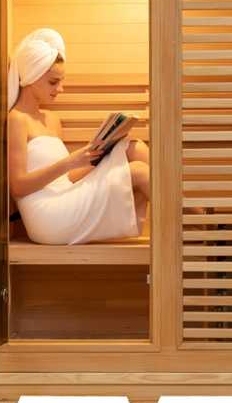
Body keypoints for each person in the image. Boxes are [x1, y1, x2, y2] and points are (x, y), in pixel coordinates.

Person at [8, 28, 151, 245]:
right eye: (53, 82)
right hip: (48, 216)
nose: (61, 89)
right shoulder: (17, 119)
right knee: (139, 171)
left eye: (61, 81)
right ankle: (195, 226)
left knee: (134, 147)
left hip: (66, 196)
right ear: (32, 77)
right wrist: (70, 161)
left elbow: (65, 178)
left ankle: (196, 220)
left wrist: (98, 152)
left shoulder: (52, 119)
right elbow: (18, 186)